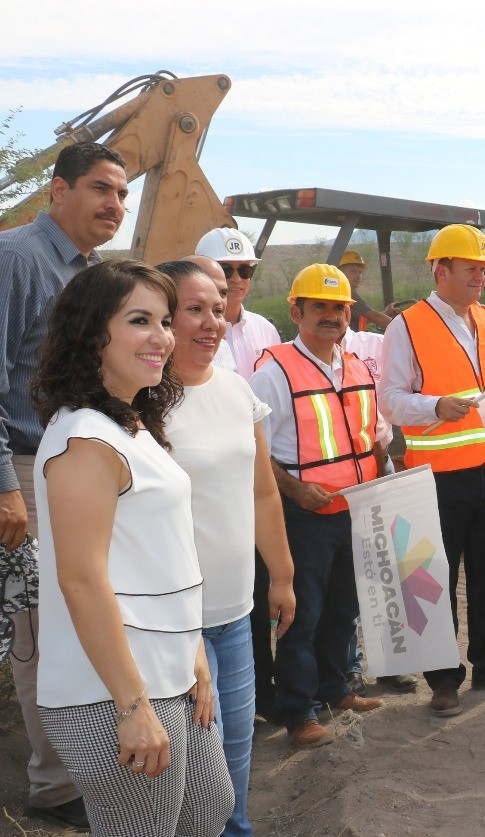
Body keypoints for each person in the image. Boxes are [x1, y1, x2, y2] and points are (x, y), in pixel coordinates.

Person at [31, 259, 234, 836]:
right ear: (93, 333)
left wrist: (191, 648)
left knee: (206, 815)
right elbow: (81, 578)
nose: (163, 338)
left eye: (165, 320)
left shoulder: (127, 423)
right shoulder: (83, 439)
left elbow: (156, 553)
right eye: (140, 320)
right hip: (112, 693)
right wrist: (130, 706)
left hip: (169, 671)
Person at [0, 141, 130, 832]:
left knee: (84, 623)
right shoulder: (17, 260)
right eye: (102, 188)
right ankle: (54, 786)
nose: (115, 204)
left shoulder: (91, 273)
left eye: (123, 195)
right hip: (22, 470)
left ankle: (85, 765)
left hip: (73, 468)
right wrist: (4, 488)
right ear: (58, 190)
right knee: (42, 634)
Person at [159, 259, 297, 834]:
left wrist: (283, 575)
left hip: (235, 616)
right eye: (194, 310)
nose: (212, 321)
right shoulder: (141, 405)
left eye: (218, 307)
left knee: (238, 752)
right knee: (200, 767)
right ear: (162, 320)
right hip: (173, 624)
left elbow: (263, 490)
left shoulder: (237, 390)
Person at [379, 224, 485, 718]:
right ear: (439, 269)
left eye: (482, 269)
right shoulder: (407, 326)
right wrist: (434, 406)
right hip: (440, 476)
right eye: (471, 268)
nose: (478, 277)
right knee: (438, 580)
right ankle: (444, 681)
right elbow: (389, 401)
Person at [249, 264, 387, 748]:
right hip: (302, 517)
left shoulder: (356, 366)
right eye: (320, 307)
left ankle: (336, 689)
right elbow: (253, 451)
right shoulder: (273, 373)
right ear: (296, 311)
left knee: (343, 610)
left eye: (339, 307)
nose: (331, 315)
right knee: (299, 617)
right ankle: (299, 711)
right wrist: (294, 489)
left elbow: (376, 434)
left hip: (353, 511)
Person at [195, 227, 280, 379]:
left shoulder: (267, 330)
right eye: (225, 270)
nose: (236, 278)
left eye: (244, 270)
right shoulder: (190, 332)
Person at [338, 250, 400, 332]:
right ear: (341, 272)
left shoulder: (347, 291)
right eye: (353, 271)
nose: (358, 275)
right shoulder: (346, 291)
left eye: (360, 272)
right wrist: (404, 327)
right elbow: (375, 316)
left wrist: (386, 313)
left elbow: (364, 317)